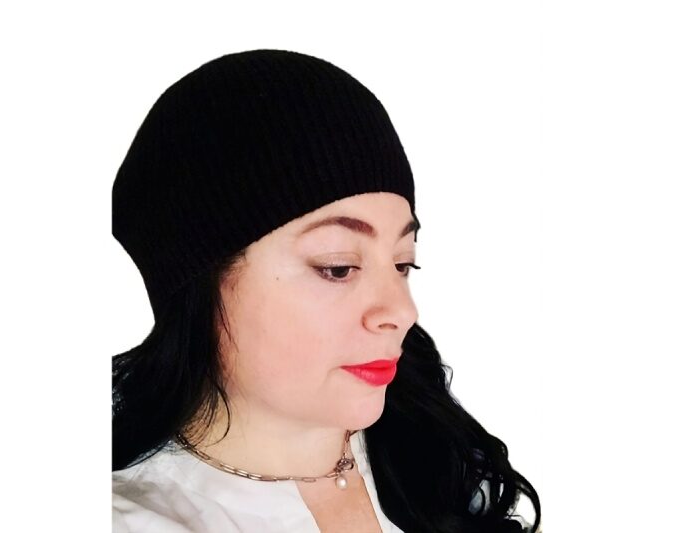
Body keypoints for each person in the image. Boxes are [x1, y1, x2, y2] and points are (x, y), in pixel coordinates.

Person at [111, 49, 541, 533]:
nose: (402, 311)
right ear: (197, 281)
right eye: (338, 267)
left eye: (403, 263)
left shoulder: (436, 461)